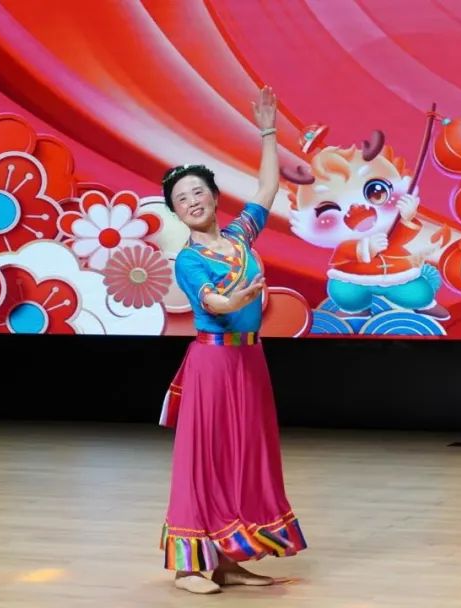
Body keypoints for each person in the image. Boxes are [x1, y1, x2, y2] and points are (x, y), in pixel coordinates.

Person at [158, 86, 307, 595]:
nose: (192, 201)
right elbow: (214, 303)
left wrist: (268, 131)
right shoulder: (189, 258)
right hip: (213, 365)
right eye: (182, 199)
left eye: (198, 192)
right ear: (177, 213)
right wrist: (234, 298)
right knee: (207, 458)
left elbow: (267, 188)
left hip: (250, 361)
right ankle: (188, 567)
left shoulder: (241, 237)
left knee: (247, 456)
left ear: (214, 197)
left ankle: (229, 559)